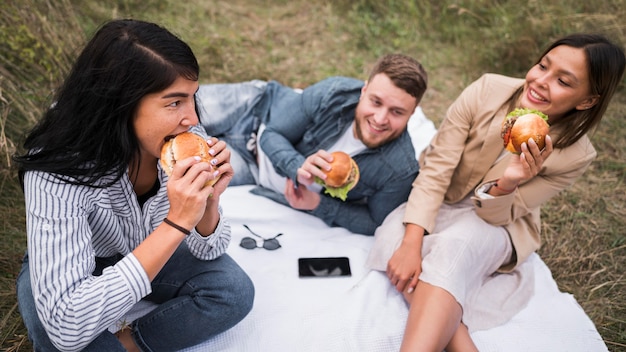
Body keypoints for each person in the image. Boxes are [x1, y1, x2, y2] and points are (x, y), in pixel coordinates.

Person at [13, 19, 254, 351]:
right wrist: (177, 222)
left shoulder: (184, 141)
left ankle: (131, 342)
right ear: (122, 106)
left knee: (233, 290)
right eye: (174, 102)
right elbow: (67, 327)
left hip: (145, 246)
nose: (193, 119)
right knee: (59, 334)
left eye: (191, 98)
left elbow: (209, 250)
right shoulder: (58, 170)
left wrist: (209, 201)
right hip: (76, 259)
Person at [375, 33, 626, 351]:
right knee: (392, 237)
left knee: (455, 247)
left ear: (587, 100)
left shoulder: (576, 155)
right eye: (542, 66)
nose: (540, 81)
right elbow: (437, 168)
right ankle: (462, 342)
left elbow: (499, 215)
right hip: (444, 198)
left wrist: (509, 181)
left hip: (499, 220)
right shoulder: (487, 90)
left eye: (563, 81)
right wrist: (412, 242)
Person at [196, 54, 428, 235]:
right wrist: (298, 167)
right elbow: (272, 133)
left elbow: (375, 222)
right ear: (364, 90)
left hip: (252, 170)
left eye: (397, 112)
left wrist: (318, 204)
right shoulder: (333, 92)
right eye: (375, 102)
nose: (379, 119)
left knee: (177, 169)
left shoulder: (400, 170)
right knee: (170, 111)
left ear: (412, 112)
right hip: (256, 108)